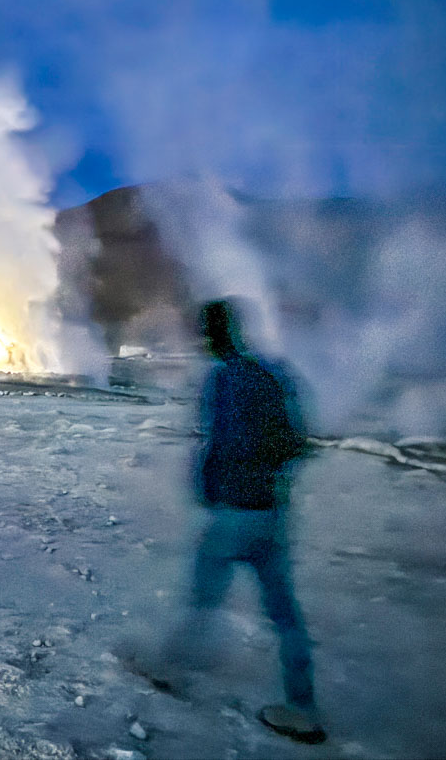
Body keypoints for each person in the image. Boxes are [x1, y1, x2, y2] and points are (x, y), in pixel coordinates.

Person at [157, 299, 324, 743]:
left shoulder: (223, 379)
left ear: (212, 336)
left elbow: (218, 443)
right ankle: (303, 709)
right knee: (284, 614)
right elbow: (296, 440)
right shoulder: (270, 374)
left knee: (204, 596)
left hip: (233, 513)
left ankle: (171, 672)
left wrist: (207, 489)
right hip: (270, 511)